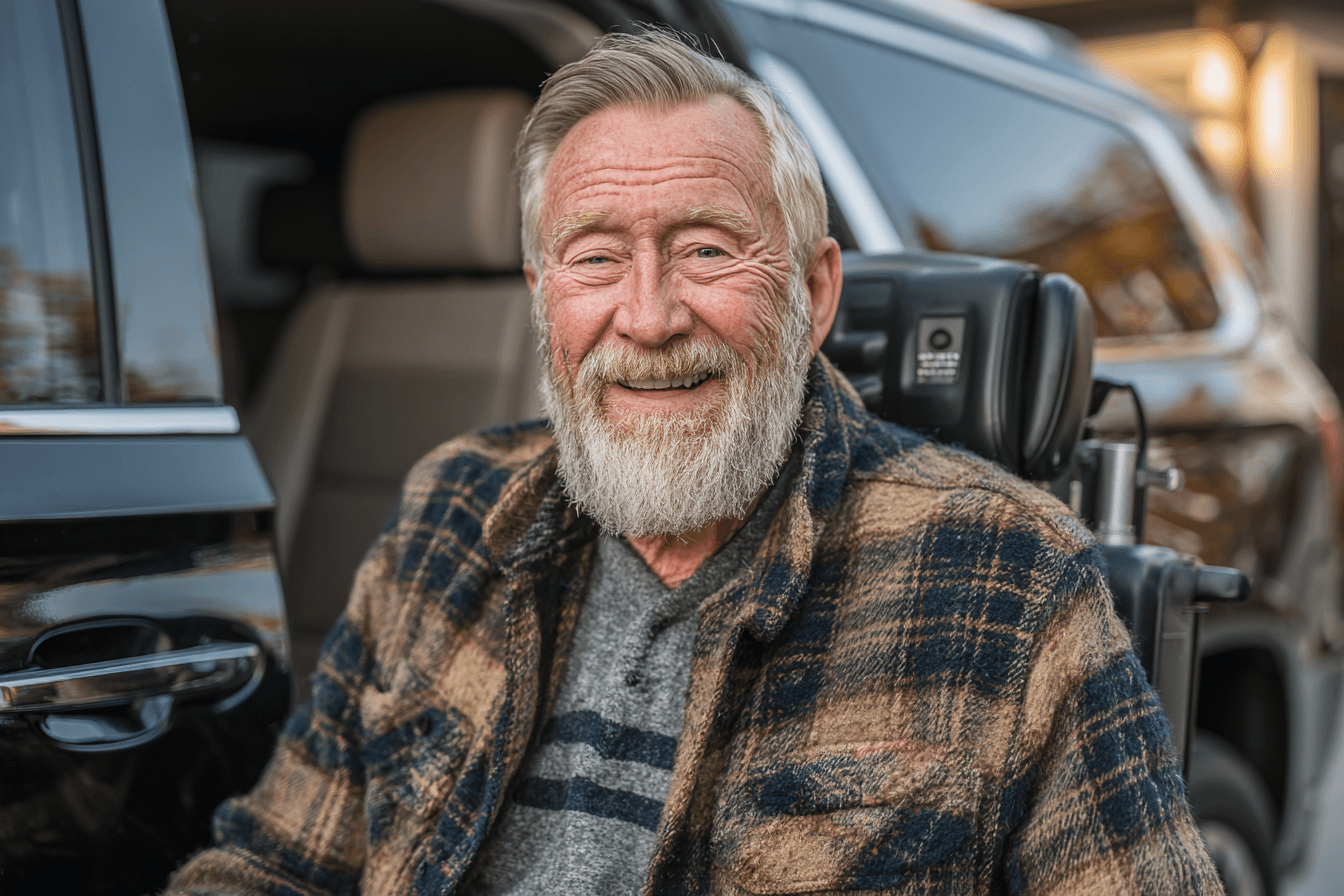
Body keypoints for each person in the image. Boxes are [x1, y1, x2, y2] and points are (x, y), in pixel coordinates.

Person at [166, 30, 1220, 896]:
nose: (650, 314)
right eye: (596, 257)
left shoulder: (1006, 575)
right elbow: (273, 863)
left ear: (812, 296)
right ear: (543, 297)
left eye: (708, 248)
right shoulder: (453, 510)